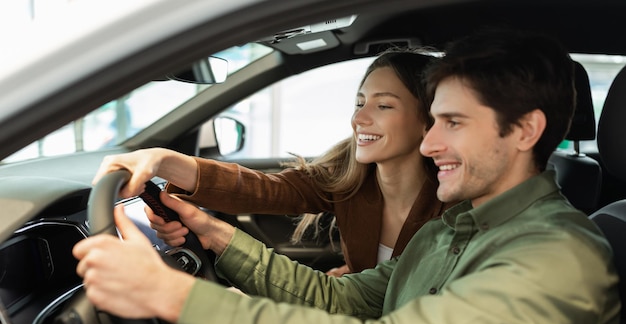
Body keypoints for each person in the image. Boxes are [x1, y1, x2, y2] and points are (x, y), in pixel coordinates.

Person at [73, 27, 620, 324]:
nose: (431, 143)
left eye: (451, 122)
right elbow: (343, 301)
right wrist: (216, 235)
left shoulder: (551, 257)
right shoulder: (453, 231)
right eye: (433, 122)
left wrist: (173, 298)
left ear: (525, 130)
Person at [91, 48, 450, 277]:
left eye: (383, 105)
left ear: (427, 121)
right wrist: (161, 160)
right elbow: (264, 189)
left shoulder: (459, 202)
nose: (359, 119)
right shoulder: (349, 174)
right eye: (359, 103)